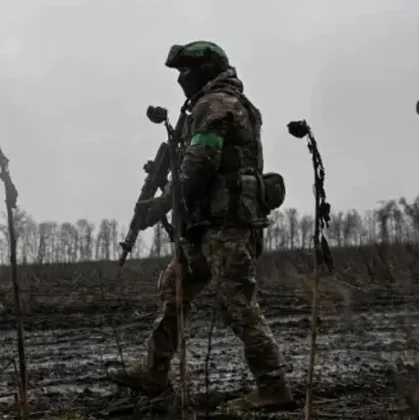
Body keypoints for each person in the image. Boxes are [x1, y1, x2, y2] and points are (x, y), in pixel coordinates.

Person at [107, 41, 294, 412]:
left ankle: (273, 386)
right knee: (174, 290)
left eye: (186, 71)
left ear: (207, 70)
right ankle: (154, 372)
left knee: (236, 303)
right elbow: (195, 162)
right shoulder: (210, 104)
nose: (181, 80)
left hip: (225, 224)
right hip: (204, 223)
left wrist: (163, 202)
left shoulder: (217, 104)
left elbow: (202, 161)